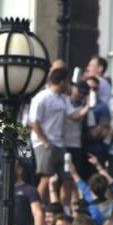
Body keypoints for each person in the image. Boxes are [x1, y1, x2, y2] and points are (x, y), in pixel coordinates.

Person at [29, 68, 71, 204]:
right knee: (46, 178)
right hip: (44, 143)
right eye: (67, 81)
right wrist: (45, 141)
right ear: (62, 81)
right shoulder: (42, 97)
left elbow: (73, 115)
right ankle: (39, 209)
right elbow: (34, 121)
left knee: (67, 177)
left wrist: (87, 107)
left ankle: (63, 209)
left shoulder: (63, 99)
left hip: (59, 143)